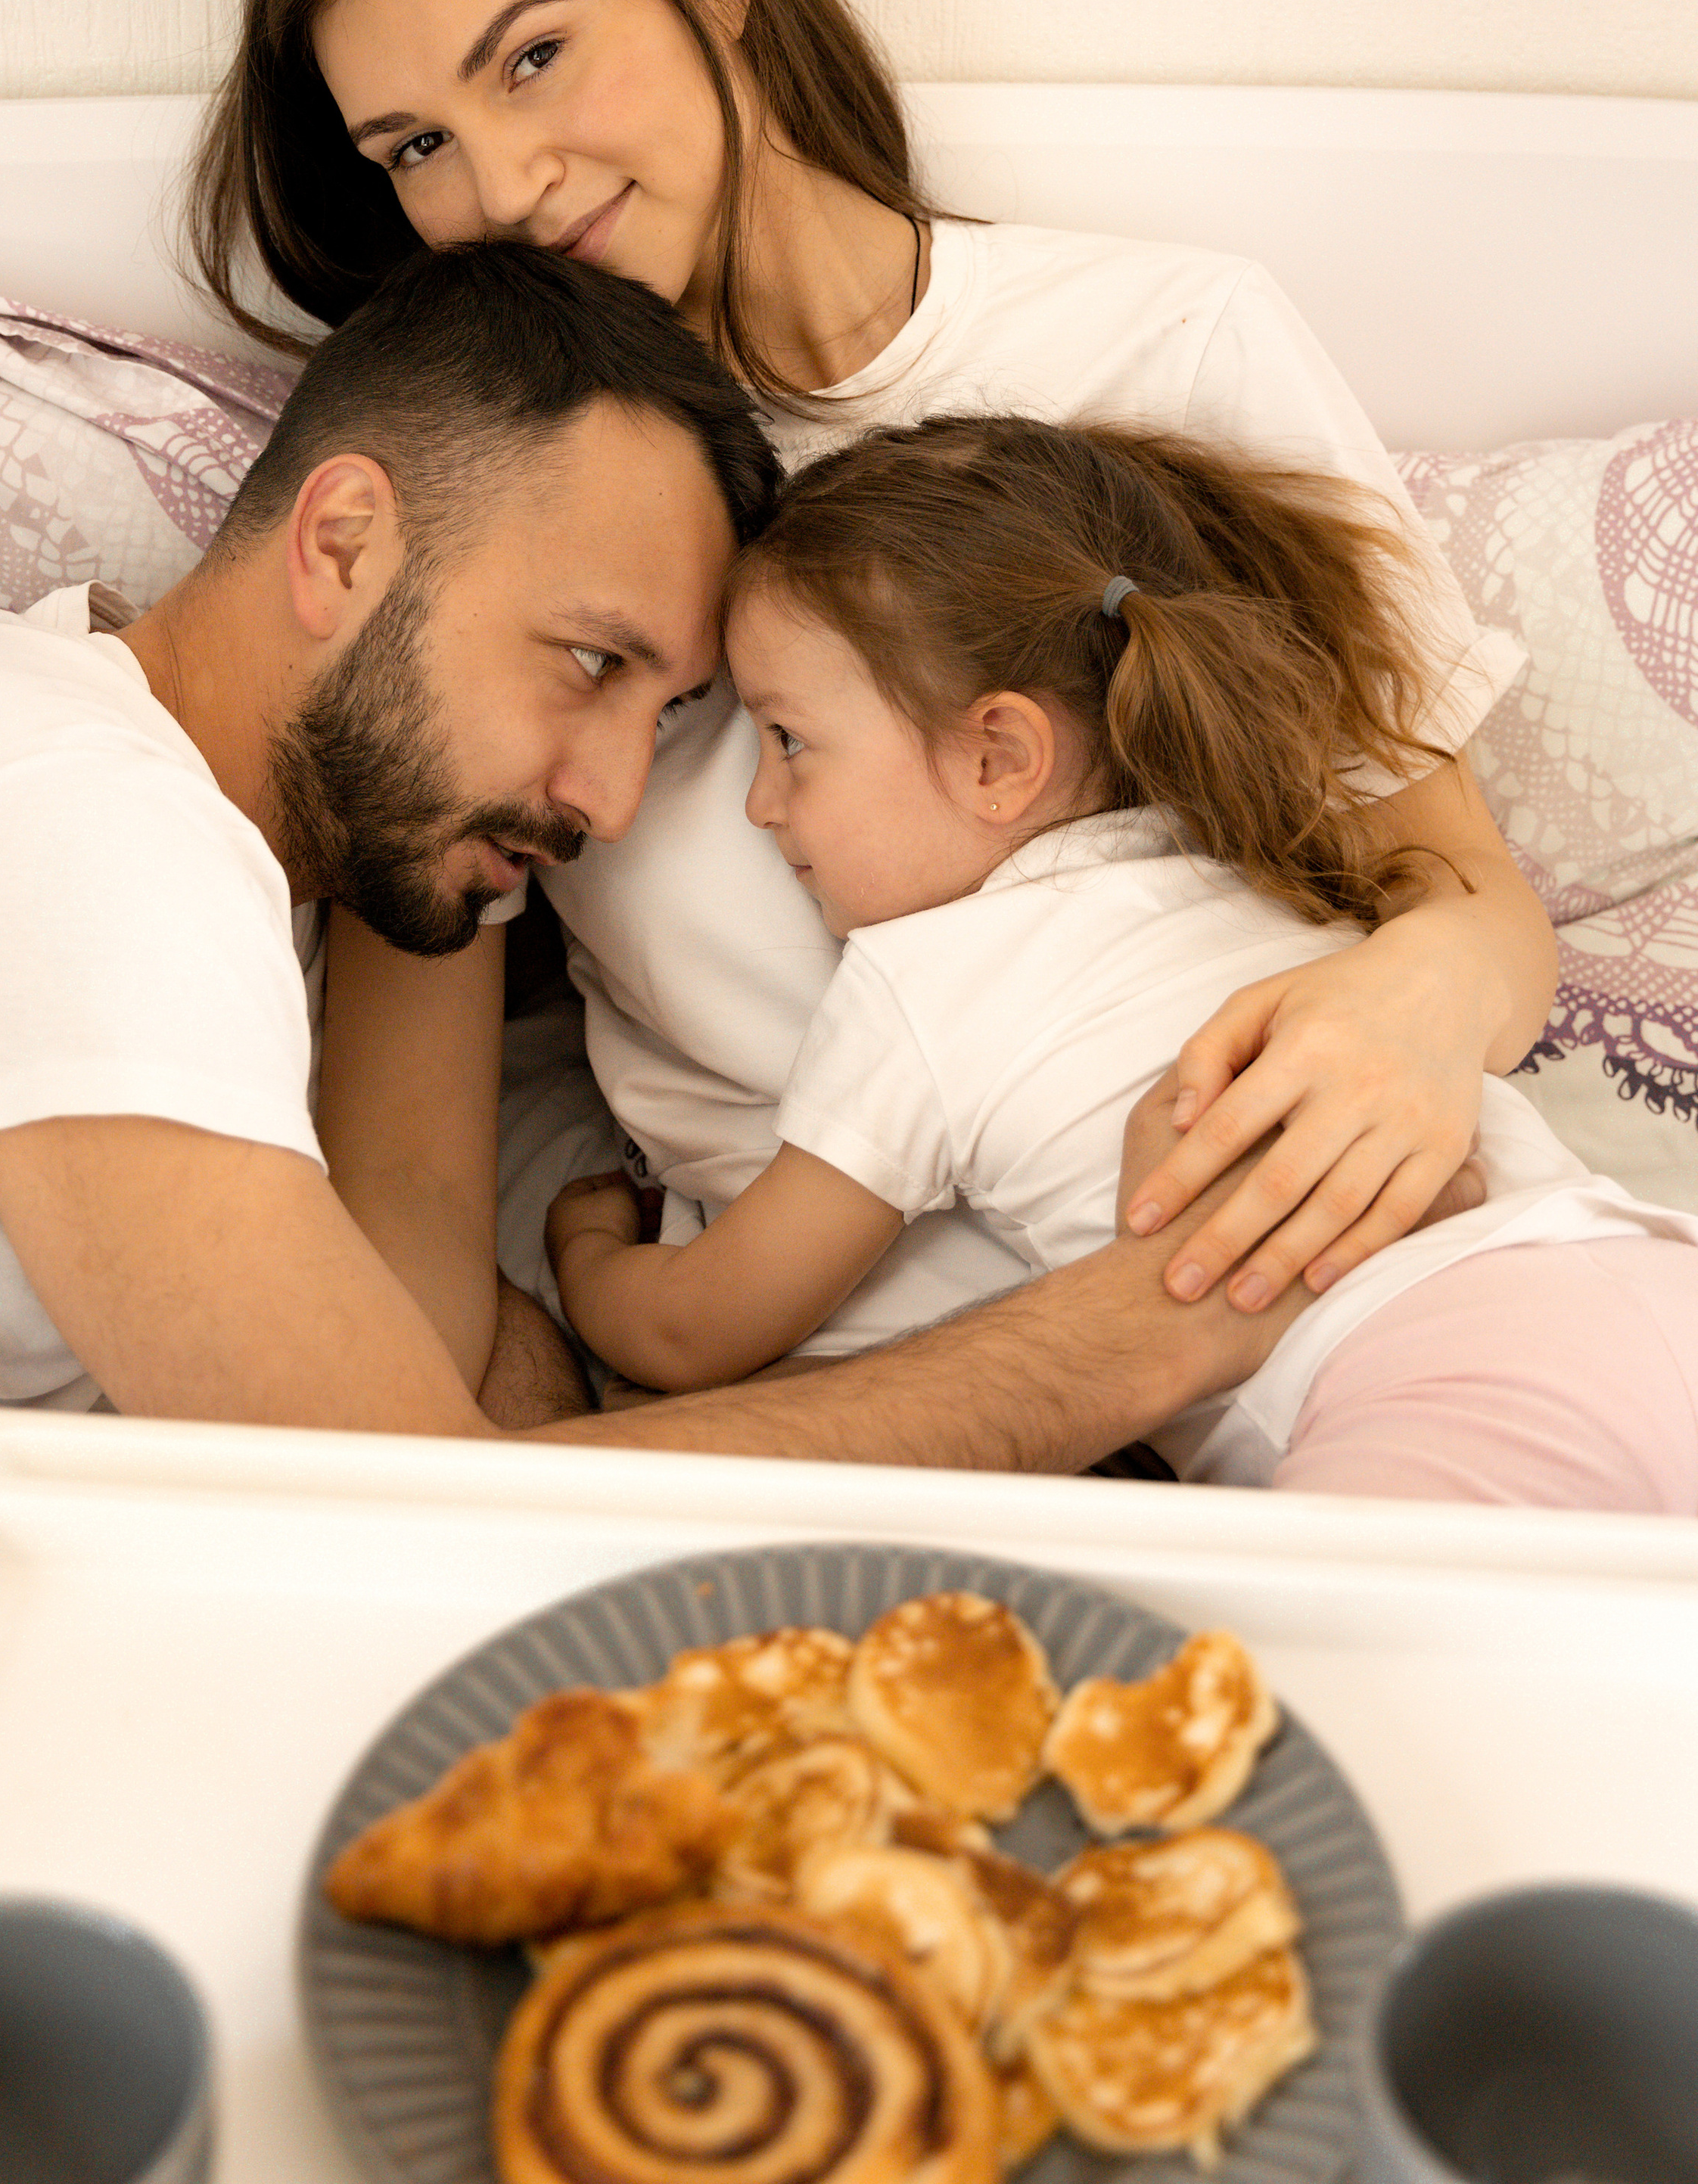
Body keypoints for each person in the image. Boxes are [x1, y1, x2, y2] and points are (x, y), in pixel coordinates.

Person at [185, 0, 1556, 1375]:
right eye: (417, 149)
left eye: (532, 57)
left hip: (1308, 1323)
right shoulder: (495, 495)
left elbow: (1467, 904)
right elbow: (407, 1160)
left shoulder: (1169, 347)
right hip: (832, 1411)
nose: (503, 189)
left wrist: (1407, 1011)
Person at [0, 243, 1301, 1636]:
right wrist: (1118, 1343)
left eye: (669, 713)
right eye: (586, 660)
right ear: (344, 542)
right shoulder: (65, 819)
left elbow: (416, 1300)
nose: (614, 801)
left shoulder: (264, 826)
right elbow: (389, 1513)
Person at [546, 417, 1698, 1508]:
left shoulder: (924, 981)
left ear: (1000, 753)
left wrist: (587, 1257)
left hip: (1426, 1371)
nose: (760, 805)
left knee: (1338, 1698)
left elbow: (705, 1327)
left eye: (790, 742)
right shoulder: (1256, 866)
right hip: (1633, 1265)